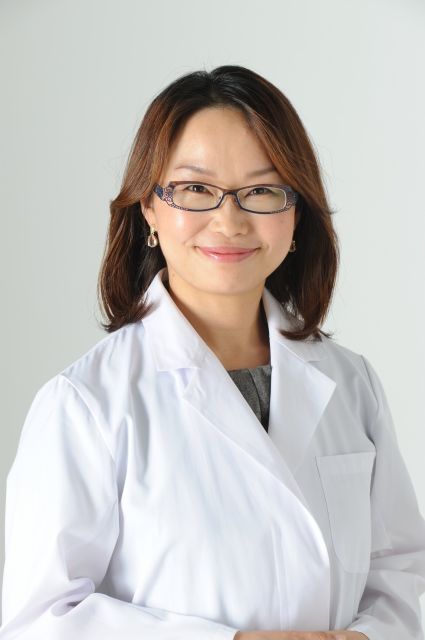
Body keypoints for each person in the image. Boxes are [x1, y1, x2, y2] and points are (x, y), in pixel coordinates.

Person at [1, 65, 424, 640]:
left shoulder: (351, 383)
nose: (229, 221)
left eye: (262, 191)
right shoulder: (84, 404)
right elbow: (39, 622)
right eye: (196, 189)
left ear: (296, 213)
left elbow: (397, 569)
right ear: (149, 209)